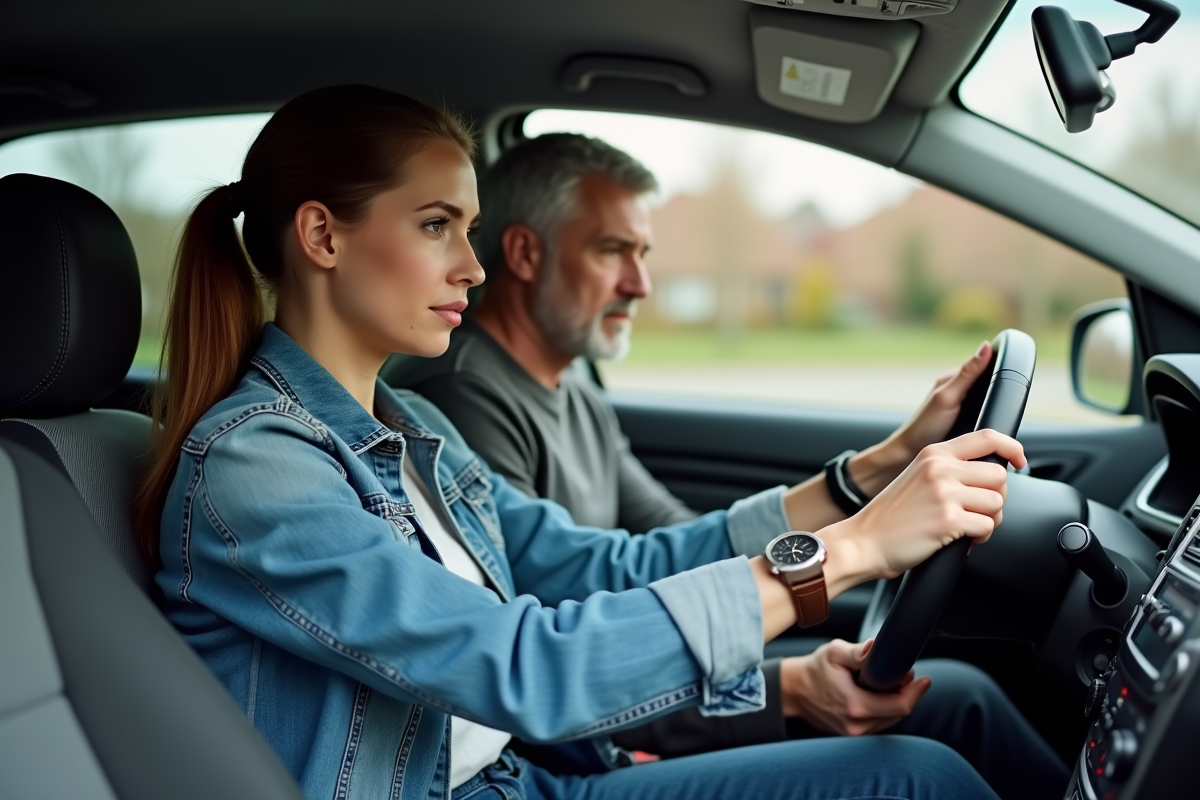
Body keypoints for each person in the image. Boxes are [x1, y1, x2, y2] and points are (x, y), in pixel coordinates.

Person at [137, 84, 1028, 800]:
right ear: (324, 235)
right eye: (435, 225)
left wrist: (861, 481)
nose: (472, 268)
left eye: (470, 230)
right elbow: (518, 665)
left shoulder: (416, 434)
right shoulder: (254, 467)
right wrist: (846, 552)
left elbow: (610, 567)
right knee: (918, 778)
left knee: (923, 761)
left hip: (537, 774)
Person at [384, 133, 1069, 799]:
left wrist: (872, 472)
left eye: (644, 253)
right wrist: (787, 685)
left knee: (960, 697)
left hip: (624, 683)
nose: (642, 283)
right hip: (582, 737)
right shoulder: (458, 401)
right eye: (613, 250)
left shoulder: (569, 393)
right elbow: (552, 661)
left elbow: (652, 555)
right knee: (923, 770)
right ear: (527, 253)